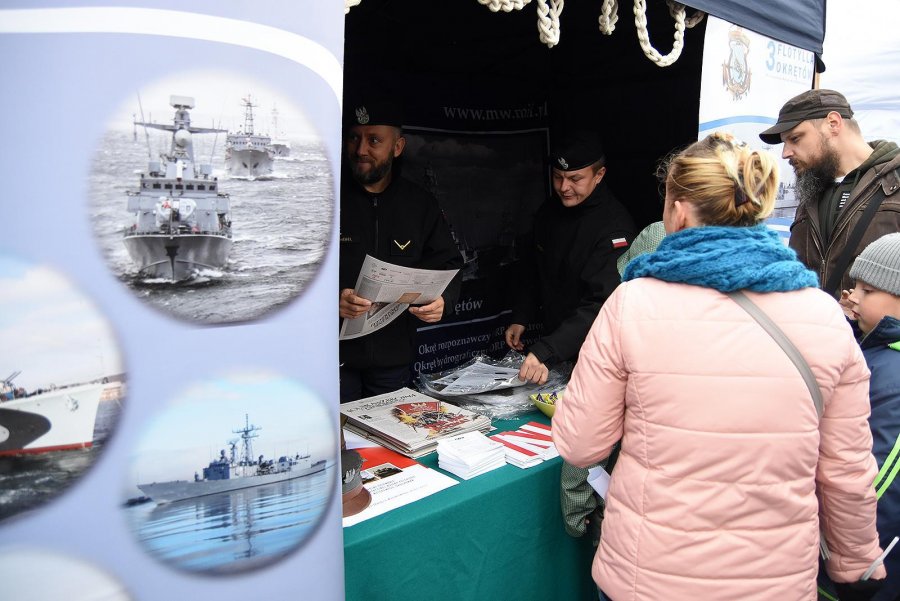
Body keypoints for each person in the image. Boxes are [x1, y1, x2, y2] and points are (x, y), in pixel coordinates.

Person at [553, 132, 886, 600]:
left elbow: (580, 442)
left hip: (648, 577)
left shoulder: (633, 303)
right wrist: (855, 557)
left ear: (680, 210)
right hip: (774, 581)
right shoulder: (824, 314)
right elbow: (848, 469)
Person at [339, 100, 463, 402]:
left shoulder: (420, 205)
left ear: (397, 147)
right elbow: (300, 273)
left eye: (374, 140)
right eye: (354, 138)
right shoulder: (328, 199)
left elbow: (448, 263)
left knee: (387, 445)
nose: (361, 150)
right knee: (339, 447)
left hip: (393, 361)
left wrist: (443, 302)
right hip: (333, 359)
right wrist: (331, 302)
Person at [505, 131, 635, 385]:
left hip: (597, 356)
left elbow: (603, 304)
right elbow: (534, 269)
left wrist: (548, 350)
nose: (564, 188)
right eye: (558, 177)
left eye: (575, 179)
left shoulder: (614, 228)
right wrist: (522, 315)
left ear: (599, 175)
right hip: (554, 346)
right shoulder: (548, 212)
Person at [759, 89, 900, 298]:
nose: (785, 152)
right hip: (814, 326)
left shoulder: (894, 183)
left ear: (833, 123)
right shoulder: (811, 190)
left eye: (795, 138)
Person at [829, 233, 900, 601]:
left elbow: (882, 483)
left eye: (868, 290)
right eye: (854, 284)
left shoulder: (895, 374)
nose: (852, 295)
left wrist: (858, 565)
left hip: (875, 567)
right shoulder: (870, 349)